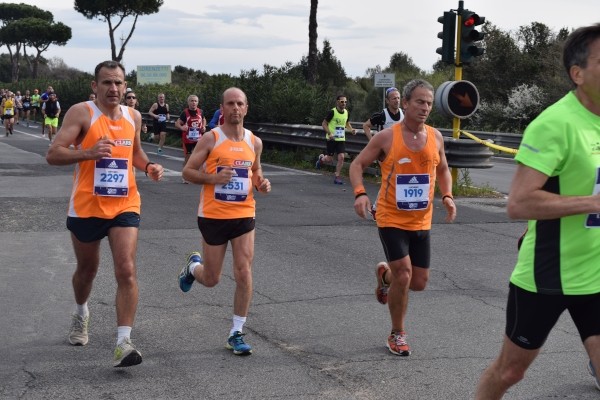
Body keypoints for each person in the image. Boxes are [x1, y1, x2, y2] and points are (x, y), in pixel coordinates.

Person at [475, 24, 600, 398]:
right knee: (510, 371)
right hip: (548, 276)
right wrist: (593, 203)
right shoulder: (554, 125)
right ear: (578, 74)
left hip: (596, 276)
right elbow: (519, 203)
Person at [46, 60, 164, 368]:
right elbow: (54, 153)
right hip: (87, 206)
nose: (113, 88)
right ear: (94, 86)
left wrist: (149, 166)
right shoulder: (81, 113)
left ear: (126, 87)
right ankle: (81, 311)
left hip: (124, 204)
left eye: (118, 83)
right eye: (107, 83)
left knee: (126, 269)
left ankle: (123, 342)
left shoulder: (134, 116)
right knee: (87, 271)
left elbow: (135, 152)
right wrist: (88, 152)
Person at [349, 79, 456, 356]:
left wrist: (447, 196)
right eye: (419, 101)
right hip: (390, 218)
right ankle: (397, 333)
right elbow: (357, 164)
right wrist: (360, 193)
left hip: (422, 220)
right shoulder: (387, 137)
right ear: (405, 103)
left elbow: (444, 169)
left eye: (429, 103)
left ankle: (384, 276)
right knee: (405, 275)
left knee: (418, 283)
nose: (425, 107)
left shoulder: (436, 137)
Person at [178, 87, 271, 356]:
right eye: (230, 103)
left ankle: (236, 332)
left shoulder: (255, 142)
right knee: (212, 278)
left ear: (246, 107)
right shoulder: (211, 138)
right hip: (213, 215)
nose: (235, 108)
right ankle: (193, 267)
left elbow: (256, 170)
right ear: (222, 107)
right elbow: (187, 171)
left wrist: (261, 183)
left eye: (239, 103)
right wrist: (212, 179)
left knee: (244, 271)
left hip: (244, 214)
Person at [363, 87, 405, 219]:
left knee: (395, 180)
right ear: (387, 101)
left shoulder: (403, 114)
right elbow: (366, 126)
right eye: (394, 98)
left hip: (399, 152)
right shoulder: (382, 115)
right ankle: (377, 209)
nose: (396, 101)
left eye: (398, 98)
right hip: (384, 154)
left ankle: (384, 208)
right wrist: (373, 143)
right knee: (390, 179)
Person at [316, 95, 356, 185]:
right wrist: (329, 133)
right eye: (342, 102)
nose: (344, 103)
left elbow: (347, 123)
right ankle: (322, 159)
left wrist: (351, 129)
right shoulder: (332, 112)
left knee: (341, 157)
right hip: (331, 139)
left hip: (341, 139)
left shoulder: (346, 112)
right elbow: (324, 124)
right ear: (337, 102)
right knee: (329, 159)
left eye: (345, 102)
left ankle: (337, 176)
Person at [174, 94, 206, 183]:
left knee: (200, 157)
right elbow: (177, 123)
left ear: (198, 102)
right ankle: (185, 176)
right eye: (192, 101)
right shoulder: (185, 113)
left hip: (198, 138)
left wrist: (203, 126)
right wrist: (181, 127)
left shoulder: (201, 112)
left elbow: (203, 119)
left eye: (195, 101)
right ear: (188, 102)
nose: (193, 103)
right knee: (188, 158)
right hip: (188, 139)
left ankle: (199, 175)